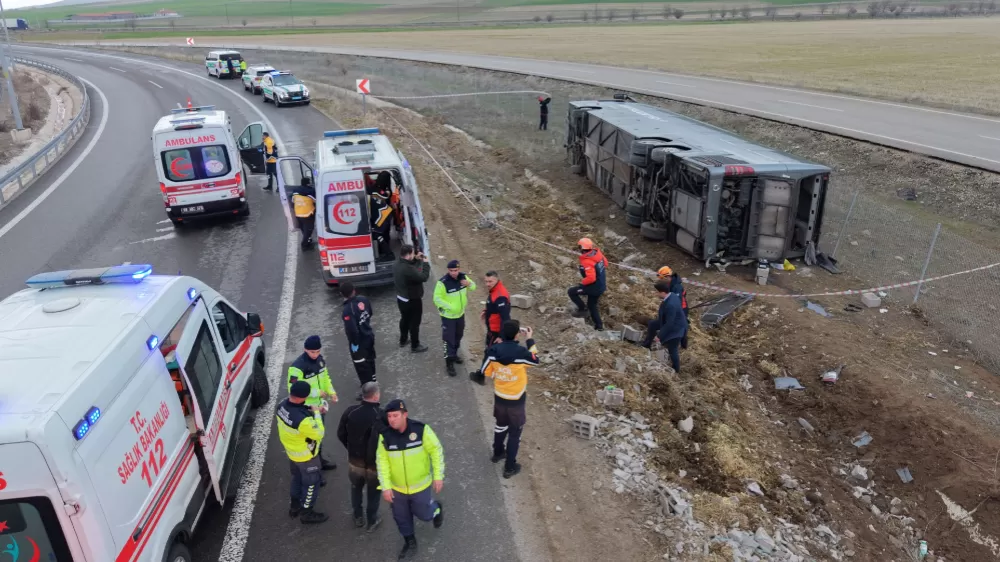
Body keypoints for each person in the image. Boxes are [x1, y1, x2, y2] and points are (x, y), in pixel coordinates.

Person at [376, 399, 445, 560]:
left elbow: (436, 451)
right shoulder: (385, 436)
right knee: (401, 518)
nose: (392, 419)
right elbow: (382, 462)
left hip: (420, 487)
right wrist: (386, 487)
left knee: (425, 515)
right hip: (397, 489)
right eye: (389, 416)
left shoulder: (421, 431)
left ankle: (436, 509)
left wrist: (438, 476)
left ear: (405, 414)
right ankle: (410, 542)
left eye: (395, 415)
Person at [470, 319, 539, 479]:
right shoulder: (522, 353)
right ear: (517, 335)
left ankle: (498, 453)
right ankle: (509, 467)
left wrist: (498, 373)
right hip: (517, 400)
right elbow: (535, 360)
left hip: (500, 398)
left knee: (500, 426)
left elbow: (485, 371)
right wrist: (529, 339)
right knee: (515, 433)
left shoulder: (493, 351)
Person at [276, 380, 329, 524]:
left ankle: (294, 506)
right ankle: (307, 513)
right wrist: (317, 413)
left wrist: (308, 408)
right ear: (304, 397)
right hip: (306, 457)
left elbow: (295, 408)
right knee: (312, 484)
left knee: (297, 479)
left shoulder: (281, 405)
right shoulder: (303, 421)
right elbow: (319, 433)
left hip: (292, 453)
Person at [336, 381, 384, 532]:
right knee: (374, 492)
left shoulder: (351, 412)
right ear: (376, 395)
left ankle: (358, 516)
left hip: (355, 461)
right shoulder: (381, 416)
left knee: (356, 488)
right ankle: (372, 520)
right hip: (374, 464)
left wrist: (351, 449)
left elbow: (341, 434)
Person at [288, 335, 338, 471]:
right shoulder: (297, 367)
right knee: (310, 439)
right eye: (312, 352)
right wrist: (316, 393)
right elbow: (293, 389)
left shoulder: (320, 361)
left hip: (319, 407)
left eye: (318, 351)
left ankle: (319, 461)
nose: (315, 355)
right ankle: (312, 467)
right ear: (305, 350)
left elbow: (326, 378)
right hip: (306, 409)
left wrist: (331, 392)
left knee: (319, 436)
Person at [433, 259, 477, 377]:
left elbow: (473, 287)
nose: (454, 273)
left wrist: (469, 284)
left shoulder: (463, 278)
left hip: (460, 315)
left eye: (456, 270)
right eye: (451, 270)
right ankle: (449, 363)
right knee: (448, 340)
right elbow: (437, 299)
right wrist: (451, 307)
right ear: (448, 270)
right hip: (448, 317)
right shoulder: (442, 282)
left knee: (459, 335)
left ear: (459, 269)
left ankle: (454, 354)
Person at [469, 271, 510, 379]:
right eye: (486, 281)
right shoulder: (495, 290)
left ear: (497, 279)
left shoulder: (500, 296)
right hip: (493, 329)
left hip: (495, 332)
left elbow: (505, 318)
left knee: (489, 353)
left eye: (490, 281)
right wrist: (487, 311)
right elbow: (494, 307)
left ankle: (480, 376)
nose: (487, 284)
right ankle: (499, 372)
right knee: (496, 352)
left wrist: (501, 336)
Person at [393, 245, 431, 353]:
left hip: (401, 297)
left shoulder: (396, 264)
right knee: (414, 323)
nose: (414, 255)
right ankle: (415, 345)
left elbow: (409, 264)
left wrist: (415, 259)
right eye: (413, 253)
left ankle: (403, 340)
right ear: (409, 254)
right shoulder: (408, 269)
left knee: (404, 319)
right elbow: (423, 277)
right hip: (412, 299)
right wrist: (426, 262)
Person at [340, 281, 377, 388]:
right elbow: (369, 313)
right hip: (369, 336)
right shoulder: (363, 299)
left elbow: (352, 330)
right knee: (370, 360)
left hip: (360, 342)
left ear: (341, 294)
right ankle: (373, 380)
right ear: (354, 291)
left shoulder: (347, 310)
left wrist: (354, 343)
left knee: (361, 365)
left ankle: (369, 388)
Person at [567, 238, 608, 331]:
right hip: (601, 285)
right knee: (592, 304)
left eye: (579, 247)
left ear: (582, 248)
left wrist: (583, 283)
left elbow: (591, 278)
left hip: (594, 287)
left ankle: (582, 310)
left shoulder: (587, 261)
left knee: (571, 292)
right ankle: (599, 326)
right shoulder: (598, 254)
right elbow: (606, 263)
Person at [651, 279, 688, 373]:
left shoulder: (670, 304)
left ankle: (676, 370)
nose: (656, 294)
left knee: (673, 349)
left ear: (663, 292)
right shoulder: (673, 296)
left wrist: (659, 336)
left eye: (657, 292)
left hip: (676, 329)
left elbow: (669, 323)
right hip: (678, 325)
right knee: (671, 347)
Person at [657, 265, 689, 348]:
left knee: (682, 326)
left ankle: (683, 345)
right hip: (674, 307)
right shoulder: (669, 283)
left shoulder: (677, 287)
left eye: (662, 278)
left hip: (682, 308)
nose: (661, 280)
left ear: (668, 277)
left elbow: (677, 301)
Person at [370, 171, 396, 261]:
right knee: (382, 234)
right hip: (384, 212)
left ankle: (387, 254)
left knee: (378, 233)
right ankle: (386, 252)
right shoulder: (382, 191)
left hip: (381, 214)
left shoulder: (371, 189)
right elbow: (386, 196)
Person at [291, 175, 316, 249]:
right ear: (308, 183)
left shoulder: (295, 190)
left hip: (298, 213)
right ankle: (304, 245)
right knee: (309, 229)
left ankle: (308, 240)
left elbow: (292, 200)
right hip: (308, 213)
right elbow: (316, 200)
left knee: (303, 229)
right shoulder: (310, 191)